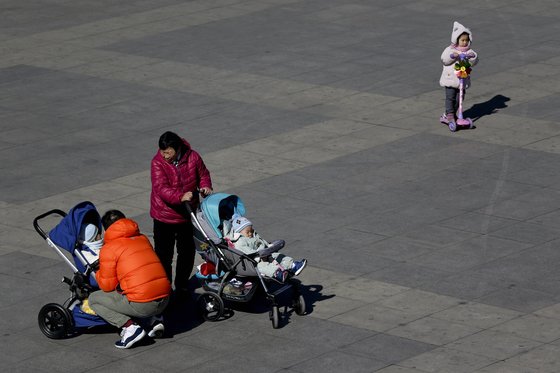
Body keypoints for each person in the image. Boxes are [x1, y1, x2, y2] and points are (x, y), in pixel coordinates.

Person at [88, 210, 171, 349]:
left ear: (106, 229)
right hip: (165, 298)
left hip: (144, 304)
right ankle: (155, 319)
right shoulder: (142, 238)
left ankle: (130, 328)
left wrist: (97, 272)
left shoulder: (109, 248)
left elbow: (107, 286)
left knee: (94, 299)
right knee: (139, 286)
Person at [150, 131, 213, 295]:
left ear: (177, 149)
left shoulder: (193, 157)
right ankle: (165, 288)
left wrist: (205, 186)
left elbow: (203, 174)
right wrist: (180, 196)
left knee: (187, 252)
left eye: (168, 152)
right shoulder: (157, 163)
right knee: (164, 256)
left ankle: (182, 284)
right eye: (162, 151)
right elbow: (161, 188)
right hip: (164, 217)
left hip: (187, 215)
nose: (164, 156)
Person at [227, 214, 307, 282]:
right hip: (253, 261)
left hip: (264, 253)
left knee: (277, 255)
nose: (250, 233)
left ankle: (292, 265)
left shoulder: (253, 235)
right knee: (263, 266)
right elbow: (247, 252)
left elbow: (262, 241)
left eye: (251, 230)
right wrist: (259, 256)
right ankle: (277, 273)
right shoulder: (239, 242)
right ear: (238, 232)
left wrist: (268, 247)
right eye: (247, 232)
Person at [439, 21, 479, 125]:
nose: (465, 42)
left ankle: (451, 114)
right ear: (456, 40)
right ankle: (450, 114)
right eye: (462, 40)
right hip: (450, 79)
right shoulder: (450, 49)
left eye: (466, 40)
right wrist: (453, 56)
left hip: (462, 79)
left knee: (459, 98)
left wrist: (472, 57)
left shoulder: (468, 51)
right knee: (450, 97)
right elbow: (444, 59)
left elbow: (474, 60)